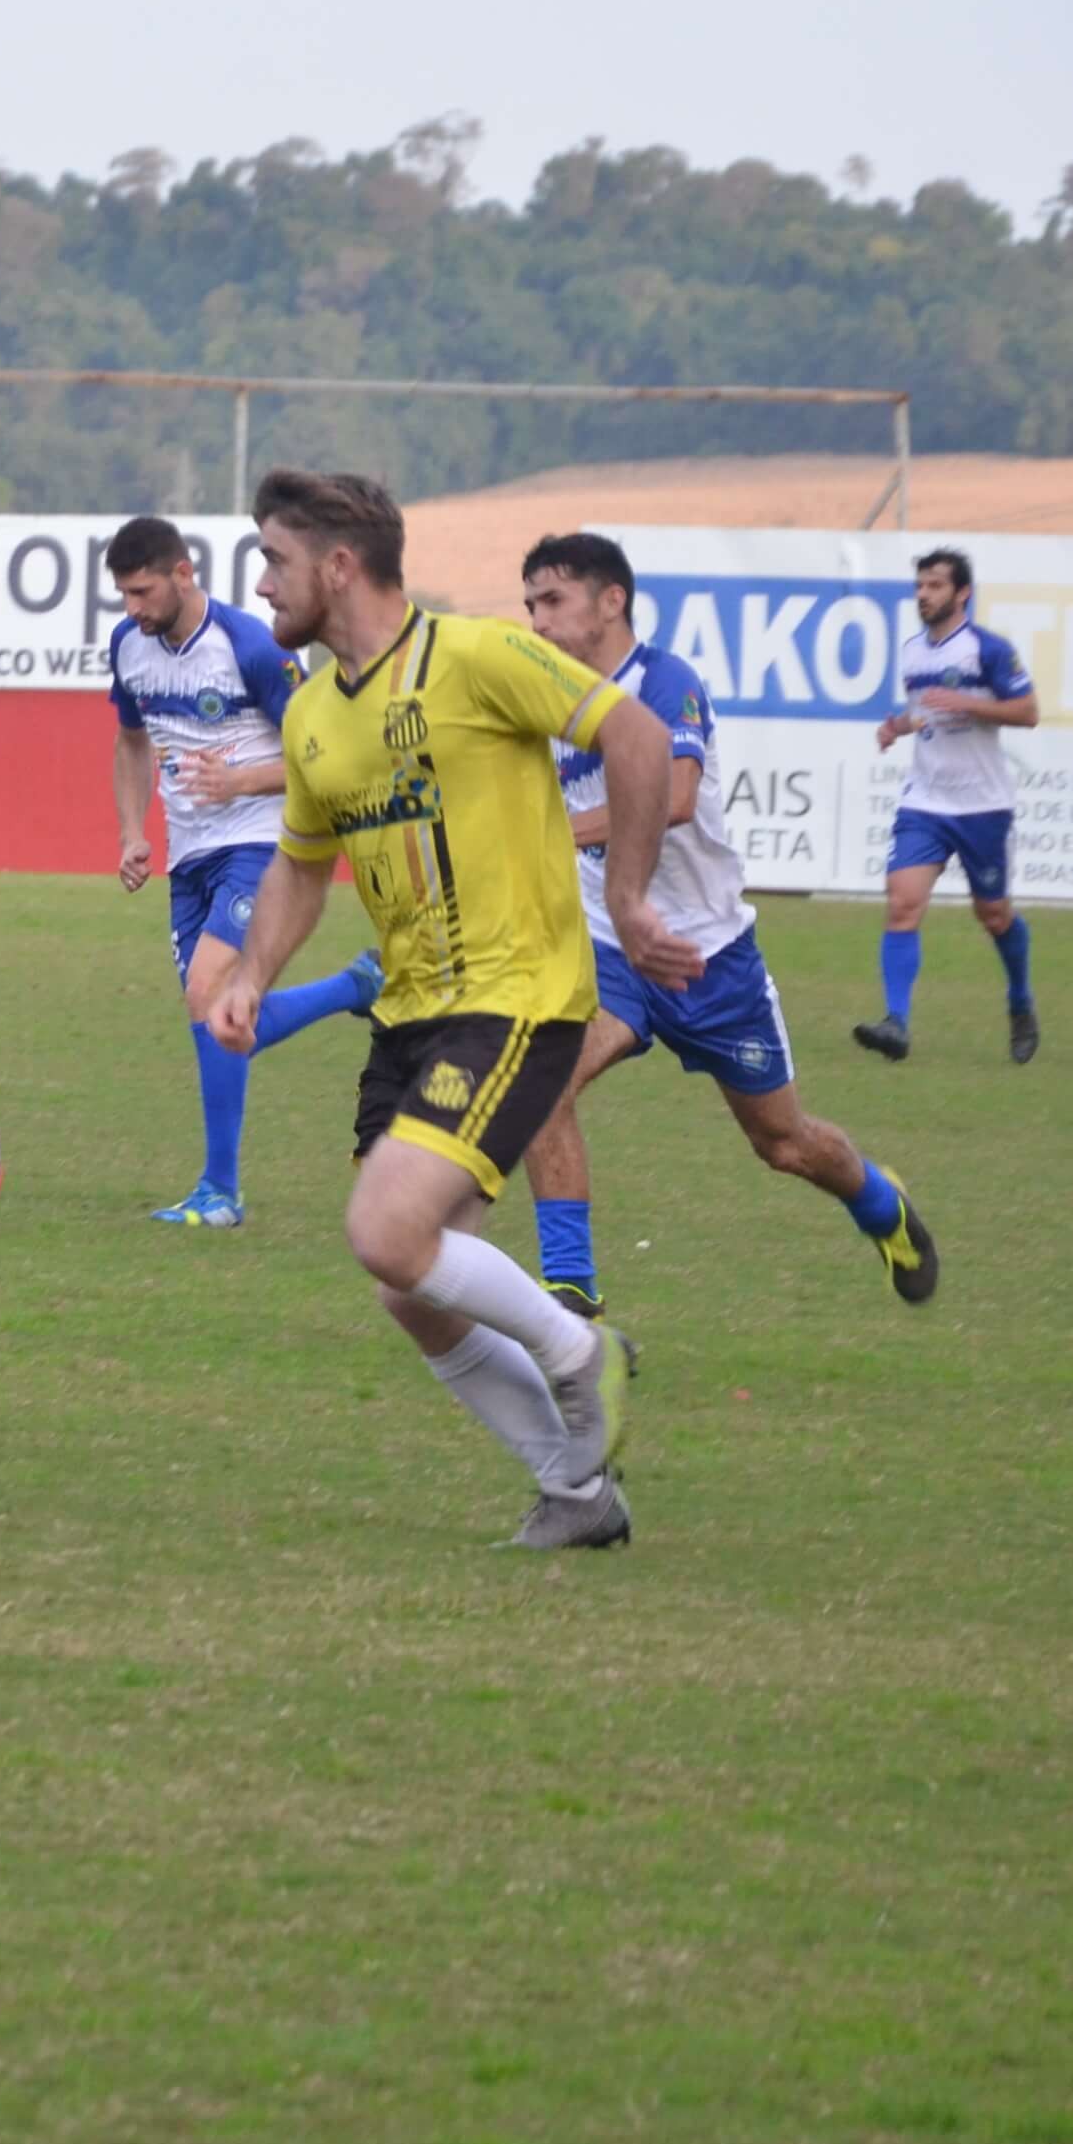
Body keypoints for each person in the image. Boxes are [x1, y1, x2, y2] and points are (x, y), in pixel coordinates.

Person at [204, 471, 698, 1551]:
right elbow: (299, 865)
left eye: (274, 560)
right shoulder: (311, 713)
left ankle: (582, 1353)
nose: (261, 581)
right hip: (410, 1016)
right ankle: (579, 1497)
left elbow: (641, 740)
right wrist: (248, 972)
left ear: (337, 566)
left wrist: (625, 895)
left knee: (386, 1228)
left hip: (516, 996)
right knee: (409, 1285)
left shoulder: (477, 655)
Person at [512, 533, 937, 1318]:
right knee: (544, 1082)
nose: (537, 620)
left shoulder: (663, 681)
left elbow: (671, 801)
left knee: (783, 1144)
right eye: (530, 604)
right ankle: (570, 1292)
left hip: (708, 955)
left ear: (612, 601)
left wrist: (547, 836)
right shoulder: (544, 692)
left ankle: (883, 1207)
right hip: (606, 945)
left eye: (553, 601)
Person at [103, 515, 381, 1225]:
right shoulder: (127, 647)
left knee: (209, 992)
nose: (132, 609)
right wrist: (134, 832)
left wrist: (240, 784)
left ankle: (221, 1193)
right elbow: (132, 742)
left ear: (183, 575)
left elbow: (320, 752)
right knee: (222, 1020)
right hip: (187, 854)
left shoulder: (248, 646)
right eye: (123, 596)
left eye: (142, 591)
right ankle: (357, 986)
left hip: (259, 839)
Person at [854, 547, 1042, 1065]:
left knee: (994, 915)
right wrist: (898, 726)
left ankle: (1020, 1002)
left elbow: (1029, 712)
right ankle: (896, 1022)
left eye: (935, 586)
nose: (923, 594)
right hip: (926, 801)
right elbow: (924, 715)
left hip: (983, 806)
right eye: (920, 585)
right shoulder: (914, 652)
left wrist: (972, 703)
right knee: (902, 904)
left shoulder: (988, 650)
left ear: (962, 593)